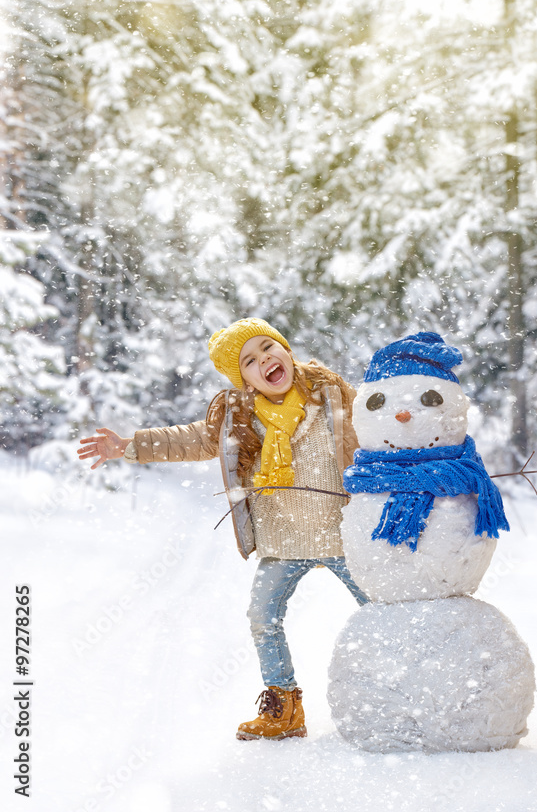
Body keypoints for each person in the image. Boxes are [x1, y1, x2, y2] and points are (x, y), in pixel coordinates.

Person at [77, 317, 369, 741]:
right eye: (249, 361)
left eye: (268, 347)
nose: (264, 359)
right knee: (262, 618)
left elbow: (380, 427)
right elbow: (192, 439)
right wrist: (130, 446)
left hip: (343, 535)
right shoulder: (241, 417)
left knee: (383, 608)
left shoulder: (332, 395)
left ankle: (407, 684)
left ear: (285, 349)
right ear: (244, 380)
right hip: (283, 541)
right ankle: (283, 708)